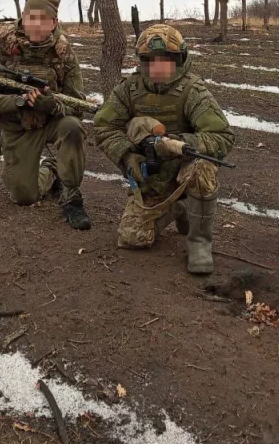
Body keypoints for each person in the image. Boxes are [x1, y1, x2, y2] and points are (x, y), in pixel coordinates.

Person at [94, 24, 234, 273]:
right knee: (131, 238)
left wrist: (179, 144)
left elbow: (221, 136)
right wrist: (127, 156)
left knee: (203, 166)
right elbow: (104, 126)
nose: (158, 67)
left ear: (179, 60)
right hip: (154, 177)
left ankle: (199, 242)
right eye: (151, 61)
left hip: (184, 171)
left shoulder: (192, 90)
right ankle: (179, 207)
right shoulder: (130, 89)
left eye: (166, 61)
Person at [0, 0, 91, 230]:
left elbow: (76, 104)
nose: (35, 25)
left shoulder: (63, 52)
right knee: (24, 196)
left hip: (51, 124)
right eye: (31, 17)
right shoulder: (3, 47)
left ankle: (72, 196)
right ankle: (51, 169)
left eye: (43, 19)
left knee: (72, 127)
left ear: (54, 22)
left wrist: (52, 106)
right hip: (17, 129)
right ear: (23, 16)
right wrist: (18, 102)